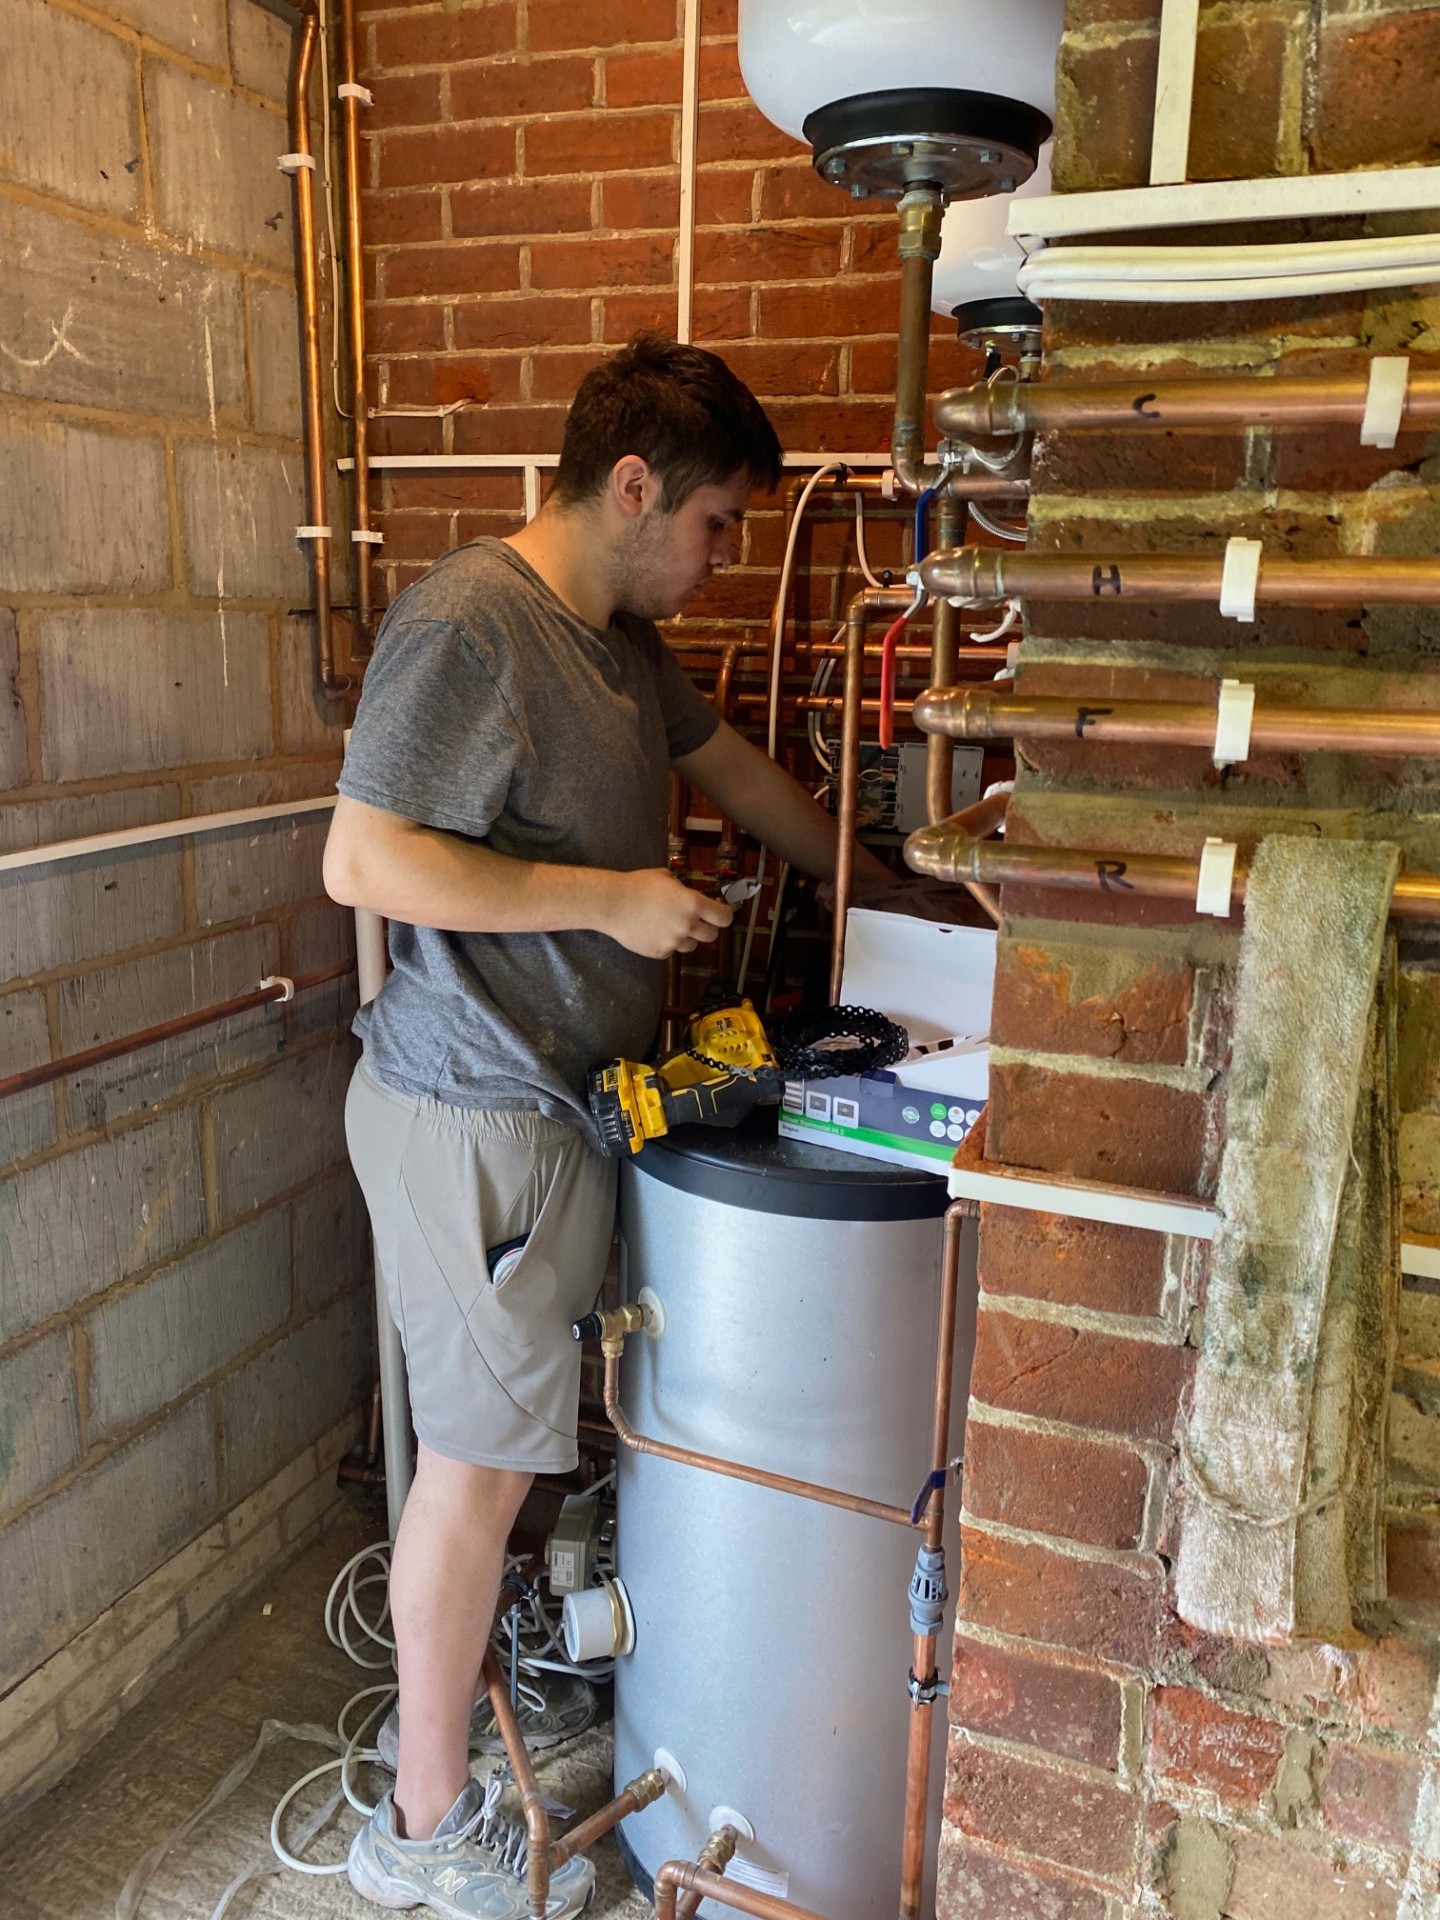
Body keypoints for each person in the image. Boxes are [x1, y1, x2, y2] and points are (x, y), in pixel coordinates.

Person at [324, 334, 905, 1917]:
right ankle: (420, 1828)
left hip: (547, 1113)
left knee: (506, 1458)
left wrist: (898, 881)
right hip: (472, 1112)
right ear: (633, 485)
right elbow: (362, 860)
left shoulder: (614, 644)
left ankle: (459, 1758)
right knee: (474, 1473)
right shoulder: (474, 625)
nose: (724, 560)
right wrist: (617, 905)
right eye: (716, 524)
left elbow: (745, 776)